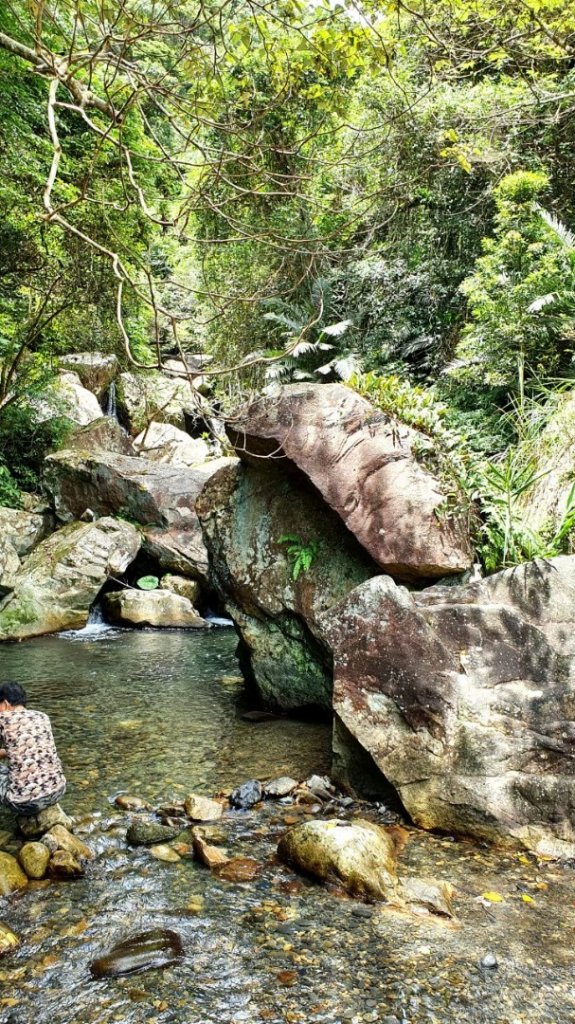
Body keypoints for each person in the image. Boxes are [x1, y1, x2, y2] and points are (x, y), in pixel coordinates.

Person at [0, 682, 66, 817]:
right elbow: (29, 748)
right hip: (58, 791)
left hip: (24, 804)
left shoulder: (3, 719)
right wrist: (9, 752)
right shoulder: (42, 717)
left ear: (5, 703)